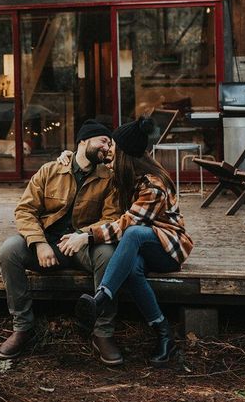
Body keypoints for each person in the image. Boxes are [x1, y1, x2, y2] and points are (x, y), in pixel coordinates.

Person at [58, 116, 193, 367]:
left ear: (125, 154)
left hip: (168, 247)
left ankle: (101, 299)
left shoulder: (154, 185)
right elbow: (87, 160)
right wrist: (68, 156)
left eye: (113, 148)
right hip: (141, 245)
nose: (109, 150)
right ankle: (164, 335)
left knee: (132, 233)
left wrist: (86, 236)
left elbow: (128, 225)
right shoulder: (126, 172)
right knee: (131, 268)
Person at [0, 119, 124, 365]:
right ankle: (23, 327)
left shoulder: (108, 178)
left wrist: (84, 236)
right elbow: (25, 210)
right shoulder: (50, 171)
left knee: (108, 255)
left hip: (83, 246)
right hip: (48, 243)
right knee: (9, 250)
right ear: (83, 141)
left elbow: (112, 218)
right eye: (103, 141)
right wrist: (39, 243)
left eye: (110, 144)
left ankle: (103, 333)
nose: (107, 148)